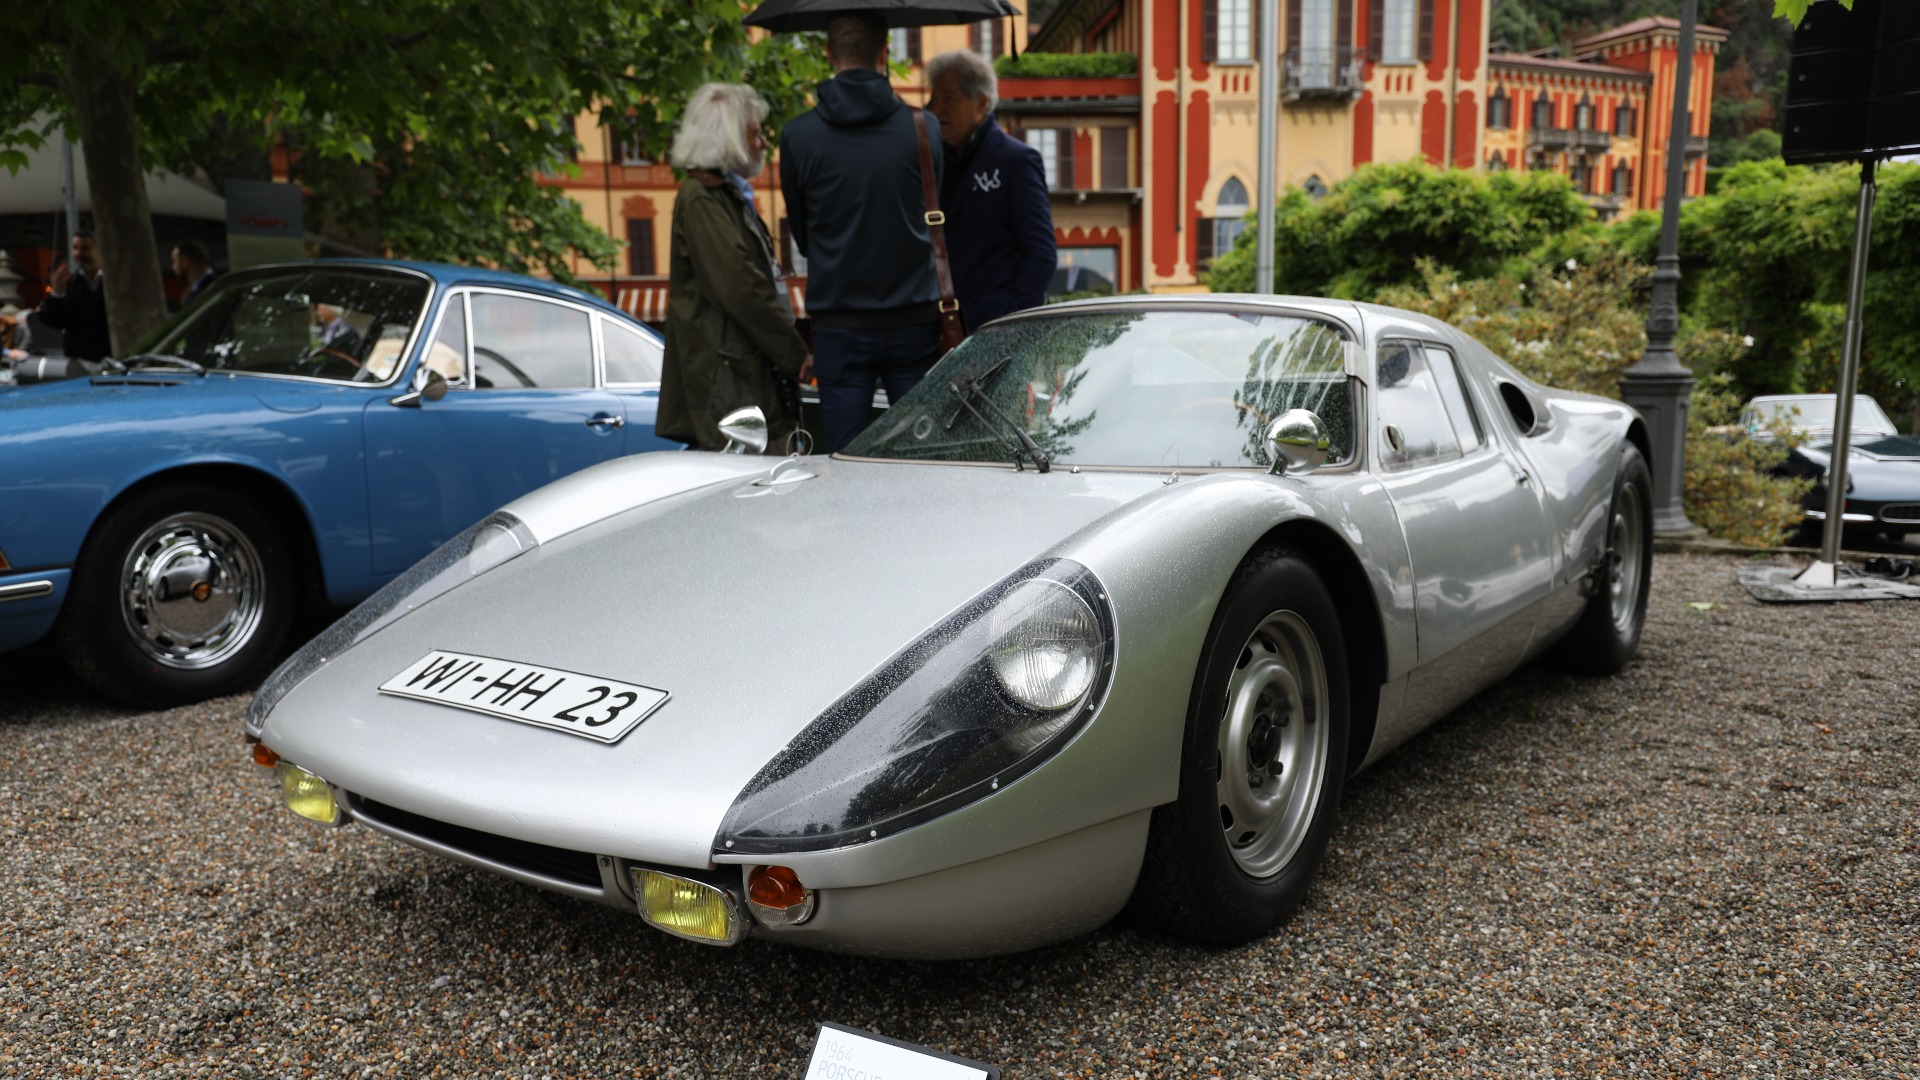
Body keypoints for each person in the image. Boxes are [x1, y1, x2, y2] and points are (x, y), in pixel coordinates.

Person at [780, 12, 945, 452]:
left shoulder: (797, 137)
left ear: (829, 53)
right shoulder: (924, 128)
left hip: (840, 323)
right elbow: (934, 212)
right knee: (919, 455)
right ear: (884, 53)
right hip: (914, 320)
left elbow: (802, 235)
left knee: (845, 460)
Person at [658, 83, 811, 453]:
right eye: (755, 133)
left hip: (739, 375)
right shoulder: (702, 199)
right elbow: (740, 287)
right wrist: (794, 354)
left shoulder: (720, 195)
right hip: (729, 382)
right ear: (729, 138)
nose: (761, 144)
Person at [927, 49, 1055, 332]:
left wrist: (1011, 318)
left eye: (949, 98)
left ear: (981, 102)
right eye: (934, 99)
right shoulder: (932, 163)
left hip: (996, 327)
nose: (937, 110)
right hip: (937, 328)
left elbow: (1042, 254)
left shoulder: (1016, 160)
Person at [37, 230, 110, 363]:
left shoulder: (113, 284)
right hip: (78, 359)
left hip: (111, 357)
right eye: (75, 248)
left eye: (85, 248)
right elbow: (53, 321)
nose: (79, 254)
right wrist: (57, 294)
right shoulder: (69, 284)